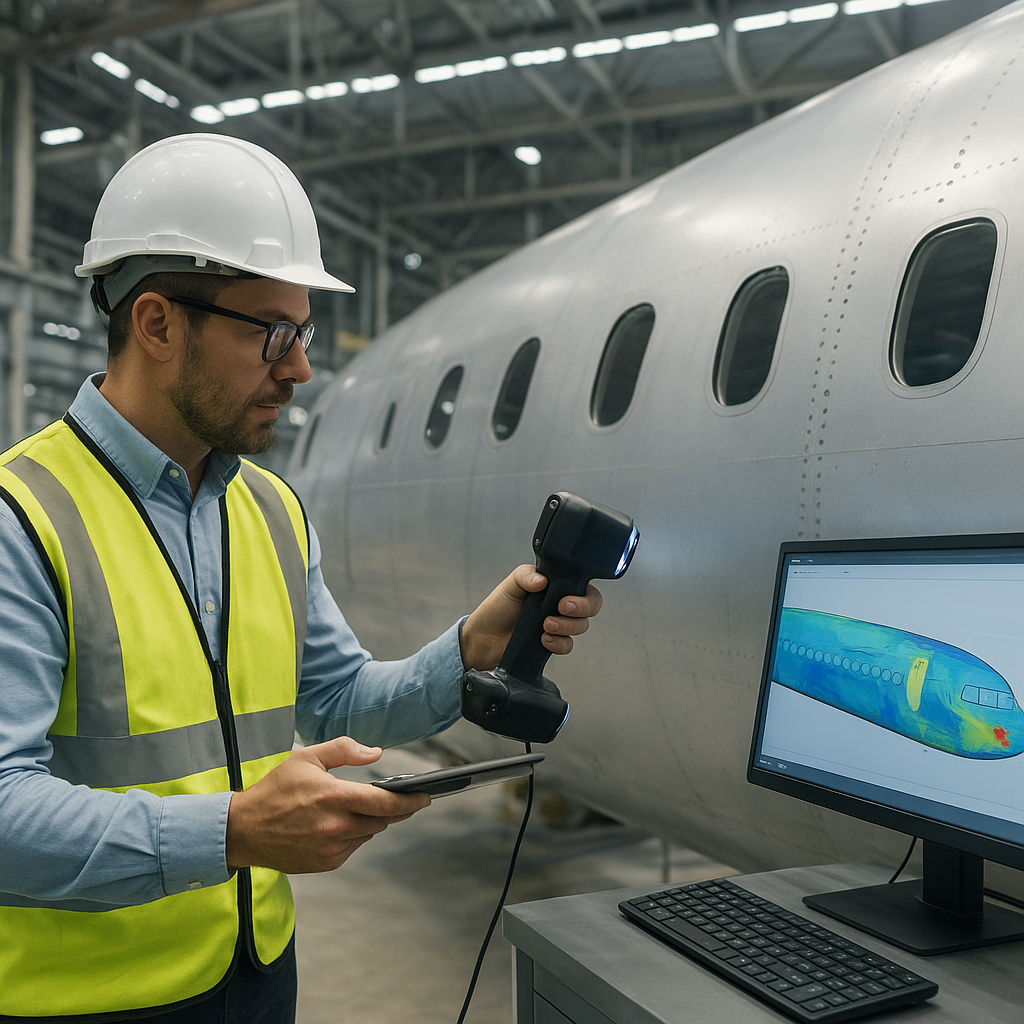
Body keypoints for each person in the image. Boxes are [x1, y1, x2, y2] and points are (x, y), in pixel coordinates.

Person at [0, 134, 601, 1022]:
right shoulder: (23, 519)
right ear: (157, 323)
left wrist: (467, 649)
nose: (301, 368)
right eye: (273, 333)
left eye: (303, 332)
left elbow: (336, 699)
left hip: (255, 973)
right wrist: (236, 830)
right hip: (84, 1001)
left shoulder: (271, 510)